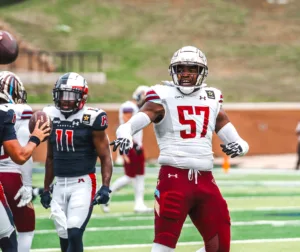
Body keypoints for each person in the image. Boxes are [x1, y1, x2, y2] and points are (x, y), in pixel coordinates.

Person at [110, 46, 249, 252]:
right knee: (164, 245)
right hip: (173, 179)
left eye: (191, 69)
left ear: (201, 72)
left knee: (220, 245)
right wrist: (124, 133)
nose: (185, 73)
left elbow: (237, 139)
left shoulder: (212, 98)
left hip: (205, 180)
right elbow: (134, 122)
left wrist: (241, 147)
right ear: (173, 71)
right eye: (181, 68)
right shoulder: (162, 96)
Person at [40, 72, 113, 252]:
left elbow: (105, 156)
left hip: (83, 182)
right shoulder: (49, 114)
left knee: (74, 232)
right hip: (60, 183)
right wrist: (46, 188)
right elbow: (50, 157)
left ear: (82, 97)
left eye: (70, 96)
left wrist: (105, 186)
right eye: (61, 95)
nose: (65, 100)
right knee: (64, 236)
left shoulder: (91, 118)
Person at [0, 97, 49, 252]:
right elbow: (20, 156)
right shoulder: (7, 113)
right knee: (10, 237)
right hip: (12, 175)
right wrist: (35, 138)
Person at [0, 71, 36, 252]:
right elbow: (22, 155)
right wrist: (28, 184)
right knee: (25, 229)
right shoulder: (19, 111)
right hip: (12, 176)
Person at [102, 85, 151, 213]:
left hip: (137, 146)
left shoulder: (137, 108)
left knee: (140, 176)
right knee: (130, 177)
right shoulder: (128, 106)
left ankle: (139, 204)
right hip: (129, 146)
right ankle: (106, 195)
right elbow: (126, 123)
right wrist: (125, 150)